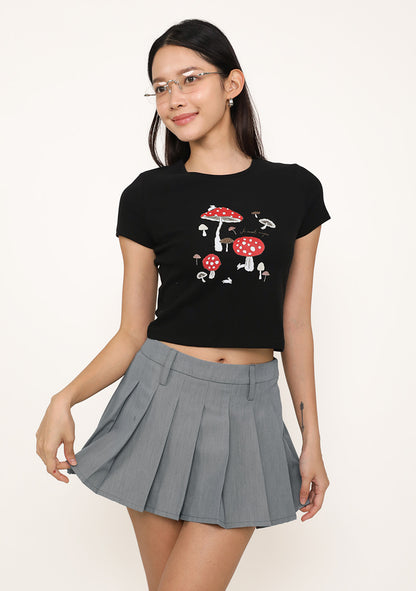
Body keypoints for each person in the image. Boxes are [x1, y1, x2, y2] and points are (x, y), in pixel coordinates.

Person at [36, 18, 331, 591]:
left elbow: (296, 324)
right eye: (161, 87)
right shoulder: (147, 196)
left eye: (190, 78)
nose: (174, 98)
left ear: (232, 84)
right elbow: (132, 331)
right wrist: (63, 398)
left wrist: (311, 439)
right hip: (159, 399)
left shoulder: (296, 189)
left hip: (249, 408)